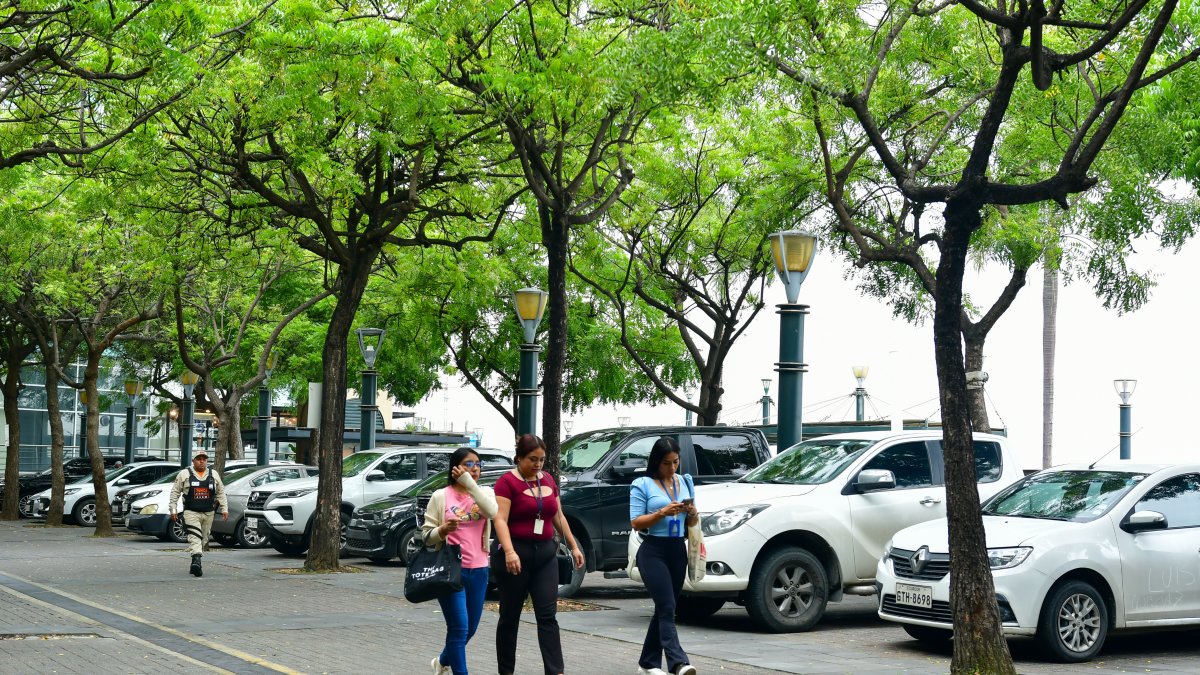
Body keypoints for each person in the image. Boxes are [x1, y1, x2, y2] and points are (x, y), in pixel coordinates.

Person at [492, 434, 584, 675]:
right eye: (533, 459)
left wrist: (573, 546)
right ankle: (506, 671)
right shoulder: (506, 483)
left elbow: (558, 516)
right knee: (510, 617)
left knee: (547, 615)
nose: (538, 464)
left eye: (542, 459)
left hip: (544, 554)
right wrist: (509, 551)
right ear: (519, 458)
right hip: (515, 554)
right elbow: (500, 519)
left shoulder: (549, 479)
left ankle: (556, 671)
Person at [421, 448, 498, 675]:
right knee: (459, 628)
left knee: (469, 629)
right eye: (468, 464)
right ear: (455, 468)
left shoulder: (485, 492)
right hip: (451, 571)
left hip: (479, 570)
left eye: (478, 464)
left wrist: (470, 484)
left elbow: (492, 512)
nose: (474, 468)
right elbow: (426, 536)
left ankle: (441, 661)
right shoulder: (440, 496)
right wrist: (442, 530)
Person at [629, 437, 698, 675]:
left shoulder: (685, 481)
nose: (672, 468)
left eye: (675, 462)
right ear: (656, 462)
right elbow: (636, 522)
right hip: (653, 550)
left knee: (664, 607)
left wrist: (692, 513)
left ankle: (648, 663)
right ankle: (678, 662)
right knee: (667, 606)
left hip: (677, 549)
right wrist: (662, 512)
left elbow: (692, 523)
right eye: (666, 463)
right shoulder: (643, 484)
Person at [169, 451, 228, 577]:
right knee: (195, 536)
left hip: (208, 513)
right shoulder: (184, 474)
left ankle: (194, 561)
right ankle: (197, 562)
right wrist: (173, 509)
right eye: (198, 459)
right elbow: (175, 492)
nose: (201, 461)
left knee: (203, 538)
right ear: (193, 461)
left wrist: (224, 509)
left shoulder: (213, 474)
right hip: (191, 512)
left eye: (204, 459)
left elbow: (221, 492)